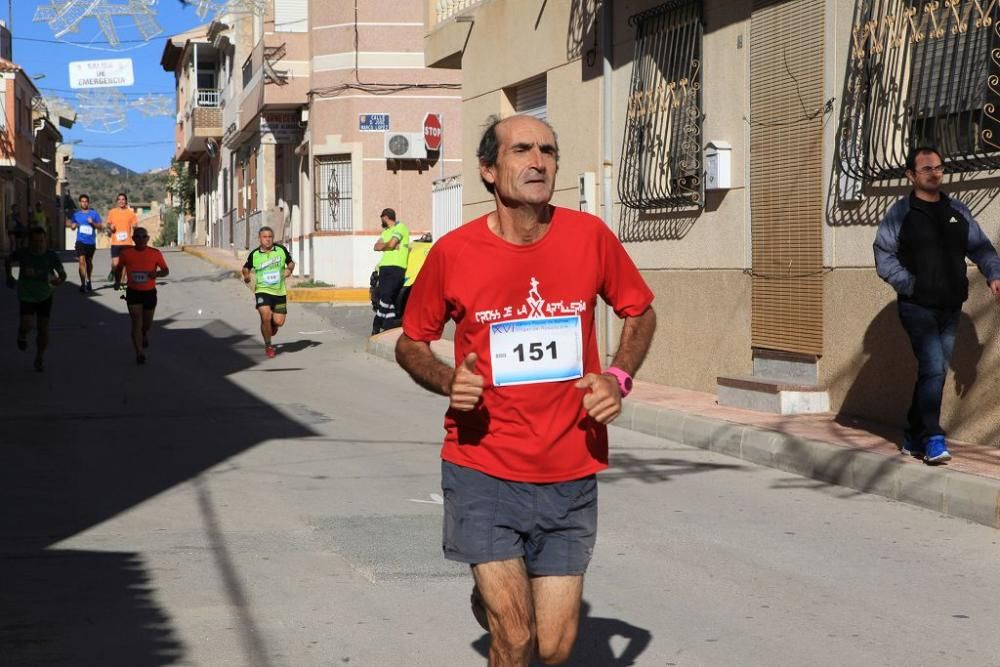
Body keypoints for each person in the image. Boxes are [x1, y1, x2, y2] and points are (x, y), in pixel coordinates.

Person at [395, 115, 656, 667]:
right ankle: (498, 598)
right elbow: (411, 342)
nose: (538, 161)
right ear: (490, 170)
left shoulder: (590, 237)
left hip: (570, 466)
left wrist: (618, 377)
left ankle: (491, 595)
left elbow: (640, 311)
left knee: (555, 647)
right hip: (482, 465)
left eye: (548, 151)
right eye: (522, 150)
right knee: (514, 640)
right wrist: (449, 380)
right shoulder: (455, 251)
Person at [874, 145, 1000, 465]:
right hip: (917, 306)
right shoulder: (901, 213)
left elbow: (981, 247)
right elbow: (883, 255)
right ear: (911, 175)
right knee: (932, 367)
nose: (935, 173)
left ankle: (913, 433)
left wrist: (993, 273)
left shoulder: (957, 210)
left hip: (951, 306)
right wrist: (910, 284)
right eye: (927, 169)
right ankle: (933, 437)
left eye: (939, 168)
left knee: (936, 371)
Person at [5, 226, 67, 372]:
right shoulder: (23, 254)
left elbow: (62, 274)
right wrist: (9, 276)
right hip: (26, 294)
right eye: (35, 241)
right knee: (27, 323)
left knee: (43, 328)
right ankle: (22, 334)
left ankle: (39, 357)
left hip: (45, 295)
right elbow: (8, 260)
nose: (38, 244)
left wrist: (59, 280)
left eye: (41, 241)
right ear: (29, 241)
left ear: (45, 241)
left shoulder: (51, 256)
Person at [113, 227, 169, 364]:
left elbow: (166, 270)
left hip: (149, 292)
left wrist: (157, 274)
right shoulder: (126, 253)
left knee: (147, 323)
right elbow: (119, 268)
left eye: (144, 236)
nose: (141, 239)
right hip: (133, 292)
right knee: (136, 321)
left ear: (148, 239)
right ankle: (139, 352)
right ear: (133, 239)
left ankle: (144, 333)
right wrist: (118, 282)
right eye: (137, 236)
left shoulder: (155, 253)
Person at [242, 226, 294, 359]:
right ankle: (268, 345)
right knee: (265, 315)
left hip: (279, 292)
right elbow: (246, 267)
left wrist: (289, 270)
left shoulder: (281, 250)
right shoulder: (255, 254)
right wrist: (247, 275)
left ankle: (273, 325)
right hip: (262, 290)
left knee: (279, 321)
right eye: (264, 237)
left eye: (270, 237)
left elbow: (291, 263)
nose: (267, 239)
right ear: (259, 239)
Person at [371, 207, 410, 335]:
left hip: (397, 267)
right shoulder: (386, 232)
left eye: (381, 218)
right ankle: (389, 324)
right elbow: (376, 247)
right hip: (384, 267)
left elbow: (392, 244)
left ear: (385, 217)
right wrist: (389, 245)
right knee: (387, 296)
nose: (381, 221)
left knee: (387, 295)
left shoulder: (401, 228)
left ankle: (377, 322)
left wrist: (387, 246)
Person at [66, 194, 103, 293]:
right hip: (80, 241)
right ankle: (83, 284)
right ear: (80, 203)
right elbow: (72, 226)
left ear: (88, 202)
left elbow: (100, 227)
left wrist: (93, 223)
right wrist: (72, 226)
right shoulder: (76, 215)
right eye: (82, 201)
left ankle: (88, 280)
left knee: (89, 262)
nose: (84, 203)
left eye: (86, 201)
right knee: (81, 261)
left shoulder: (94, 214)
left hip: (90, 242)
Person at [106, 193, 137, 284]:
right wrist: (110, 226)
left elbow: (135, 225)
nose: (121, 201)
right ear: (117, 201)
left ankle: (121, 282)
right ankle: (113, 270)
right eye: (119, 199)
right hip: (116, 242)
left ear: (126, 201)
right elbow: (108, 224)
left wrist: (135, 227)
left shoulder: (131, 213)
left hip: (127, 242)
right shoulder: (112, 212)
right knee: (115, 264)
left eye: (123, 199)